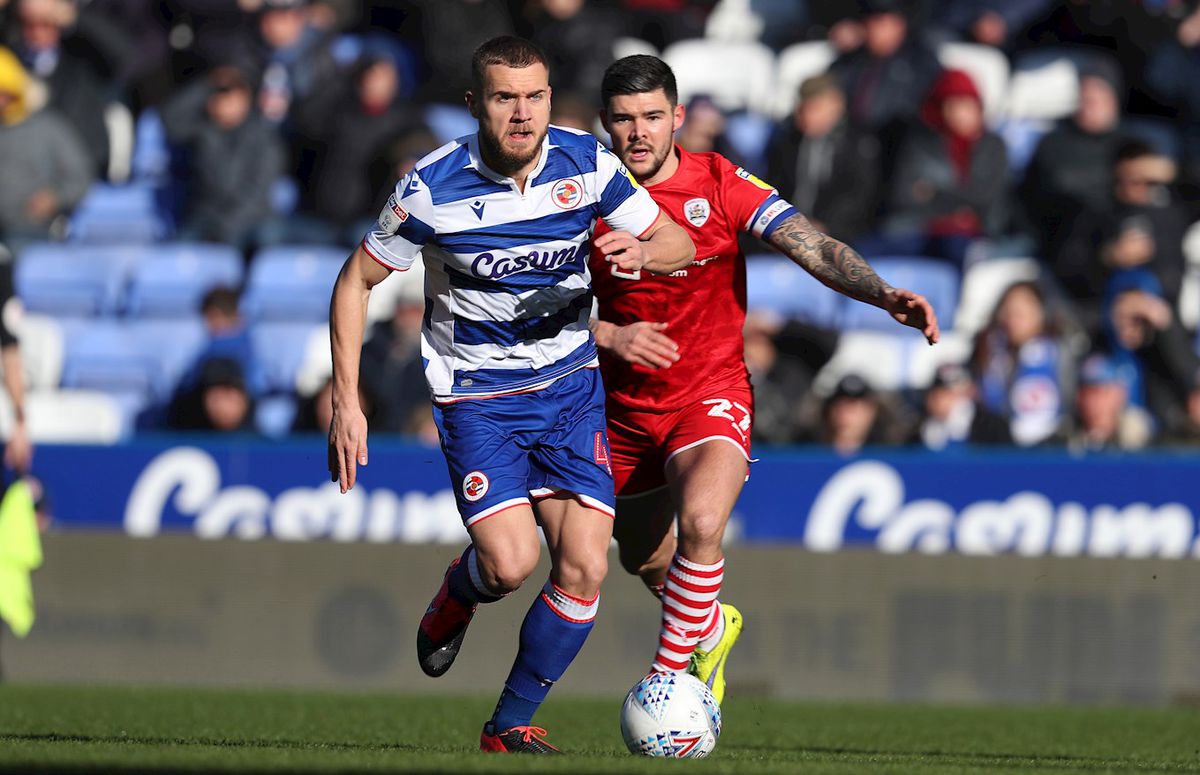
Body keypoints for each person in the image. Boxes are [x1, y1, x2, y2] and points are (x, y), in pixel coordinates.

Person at [326, 37, 694, 754]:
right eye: (504, 98)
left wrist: (646, 251)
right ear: (475, 105)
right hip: (478, 397)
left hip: (571, 388)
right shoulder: (430, 189)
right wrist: (348, 399)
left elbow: (677, 239)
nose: (522, 114)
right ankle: (460, 591)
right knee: (510, 564)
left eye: (534, 97)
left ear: (551, 100)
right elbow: (355, 281)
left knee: (586, 566)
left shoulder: (587, 163)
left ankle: (508, 724)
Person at [588, 55, 938, 704]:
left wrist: (882, 293)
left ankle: (669, 681)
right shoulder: (581, 193)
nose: (639, 132)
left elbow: (811, 245)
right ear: (605, 124)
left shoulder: (719, 183)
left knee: (701, 519)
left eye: (653, 117)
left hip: (710, 393)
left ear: (679, 119)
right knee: (642, 556)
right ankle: (712, 625)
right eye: (625, 119)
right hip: (622, 407)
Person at [765, 74, 880, 244]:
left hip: (843, 238)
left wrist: (826, 226)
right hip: (788, 234)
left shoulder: (858, 144)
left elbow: (859, 196)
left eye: (815, 108)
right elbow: (776, 185)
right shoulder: (789, 142)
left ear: (836, 105)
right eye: (802, 109)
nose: (806, 116)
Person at [910, 361, 1011, 450]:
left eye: (959, 394)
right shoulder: (919, 429)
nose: (952, 400)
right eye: (946, 393)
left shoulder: (993, 428)